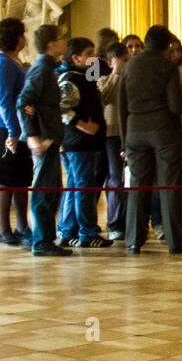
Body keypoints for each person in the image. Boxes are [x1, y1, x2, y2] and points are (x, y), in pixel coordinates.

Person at [117, 26, 182, 255]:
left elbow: (121, 106)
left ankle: (133, 241)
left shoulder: (129, 65)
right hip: (164, 131)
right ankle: (174, 242)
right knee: (169, 186)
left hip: (134, 132)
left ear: (146, 42)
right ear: (167, 45)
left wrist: (123, 140)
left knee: (137, 186)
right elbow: (175, 106)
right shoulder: (167, 66)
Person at [18, 23, 71, 257]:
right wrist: (31, 135)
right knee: (44, 190)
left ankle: (46, 239)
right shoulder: (41, 69)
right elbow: (25, 102)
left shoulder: (49, 67)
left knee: (51, 189)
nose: (65, 42)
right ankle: (41, 242)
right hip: (44, 139)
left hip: (49, 137)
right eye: (62, 39)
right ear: (51, 45)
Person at [57, 37, 111, 248]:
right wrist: (83, 125)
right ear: (76, 57)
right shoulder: (70, 78)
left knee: (75, 185)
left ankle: (67, 230)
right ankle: (87, 232)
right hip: (78, 142)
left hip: (82, 142)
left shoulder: (83, 76)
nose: (93, 57)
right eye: (89, 53)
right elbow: (62, 107)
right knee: (83, 187)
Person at [0, 18, 32, 246]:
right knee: (4, 180)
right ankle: (4, 230)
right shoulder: (2, 63)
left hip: (17, 126)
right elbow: (4, 101)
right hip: (4, 127)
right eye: (23, 33)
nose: (26, 38)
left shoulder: (13, 61)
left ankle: (23, 226)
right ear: (16, 37)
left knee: (21, 179)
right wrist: (13, 132)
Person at [98, 41, 129, 241]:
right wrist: (116, 75)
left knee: (129, 180)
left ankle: (128, 221)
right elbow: (104, 98)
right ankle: (114, 223)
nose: (126, 63)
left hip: (130, 134)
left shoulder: (134, 79)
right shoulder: (102, 80)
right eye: (122, 61)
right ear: (111, 63)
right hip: (111, 135)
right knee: (115, 178)